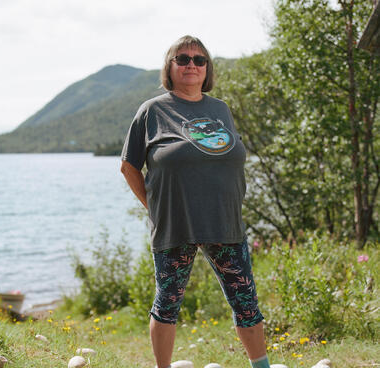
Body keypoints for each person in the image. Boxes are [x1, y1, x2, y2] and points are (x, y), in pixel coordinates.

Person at [120, 35, 270, 368]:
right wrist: (154, 207)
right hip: (176, 224)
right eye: (183, 59)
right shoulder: (152, 111)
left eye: (199, 60)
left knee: (246, 303)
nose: (191, 65)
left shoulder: (220, 109)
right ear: (169, 67)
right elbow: (129, 166)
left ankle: (262, 366)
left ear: (207, 68)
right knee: (167, 304)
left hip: (226, 222)